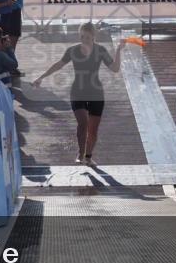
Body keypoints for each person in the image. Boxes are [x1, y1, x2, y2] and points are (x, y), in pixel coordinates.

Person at [32, 22, 124, 165]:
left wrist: (118, 50)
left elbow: (115, 68)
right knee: (83, 123)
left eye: (87, 37)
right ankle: (81, 154)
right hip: (77, 92)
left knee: (93, 130)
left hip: (96, 93)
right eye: (82, 37)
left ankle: (88, 156)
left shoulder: (100, 50)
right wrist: (41, 77)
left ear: (93, 36)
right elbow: (58, 65)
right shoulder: (73, 50)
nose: (84, 40)